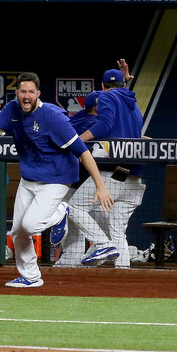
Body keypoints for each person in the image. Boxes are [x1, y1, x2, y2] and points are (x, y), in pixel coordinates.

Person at [0, 73, 113, 287]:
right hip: (30, 178)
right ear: (17, 93)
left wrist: (100, 185)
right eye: (23, 91)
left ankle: (61, 212)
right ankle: (31, 276)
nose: (27, 96)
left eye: (31, 92)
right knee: (18, 231)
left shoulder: (53, 116)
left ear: (38, 94)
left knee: (30, 225)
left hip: (57, 178)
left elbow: (82, 151)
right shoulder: (12, 109)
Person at [64, 65, 145, 267]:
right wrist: (124, 83)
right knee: (118, 232)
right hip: (135, 179)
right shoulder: (134, 105)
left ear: (102, 86)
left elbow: (103, 125)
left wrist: (78, 142)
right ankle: (124, 276)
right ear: (122, 84)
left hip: (113, 175)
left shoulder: (107, 97)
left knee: (73, 207)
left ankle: (102, 244)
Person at [53, 90, 99, 267]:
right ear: (96, 108)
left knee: (75, 231)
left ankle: (70, 264)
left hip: (66, 182)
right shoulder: (94, 123)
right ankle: (76, 264)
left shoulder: (78, 117)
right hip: (83, 184)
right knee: (109, 231)